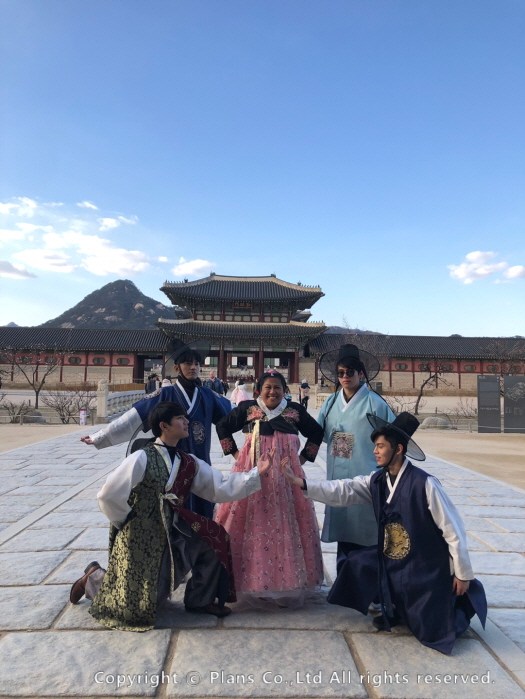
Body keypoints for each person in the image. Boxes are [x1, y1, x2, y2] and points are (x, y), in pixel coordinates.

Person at [281, 412, 487, 655]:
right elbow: (344, 490)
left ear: (398, 449)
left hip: (424, 562)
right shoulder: (377, 480)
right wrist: (302, 483)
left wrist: (462, 574)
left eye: (380, 446)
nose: (375, 452)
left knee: (433, 632)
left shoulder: (425, 484)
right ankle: (394, 608)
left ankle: (450, 611)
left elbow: (454, 530)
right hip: (393, 556)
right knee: (358, 563)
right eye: (375, 446)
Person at [70, 402, 275, 631]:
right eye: (180, 418)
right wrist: (126, 521)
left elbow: (219, 486)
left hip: (175, 528)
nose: (187, 421)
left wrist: (257, 472)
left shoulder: (187, 461)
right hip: (141, 536)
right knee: (139, 608)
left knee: (213, 538)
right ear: (163, 426)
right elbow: (108, 495)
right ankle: (94, 578)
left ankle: (200, 599)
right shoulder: (141, 457)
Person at [80, 340, 231, 519]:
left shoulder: (208, 395)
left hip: (201, 466)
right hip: (170, 468)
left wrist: (256, 414)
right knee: (172, 517)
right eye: (188, 363)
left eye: (197, 364)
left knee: (203, 517)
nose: (193, 367)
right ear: (177, 368)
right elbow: (133, 417)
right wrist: (100, 436)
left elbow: (233, 413)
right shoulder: (165, 394)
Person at [214, 370, 324, 607]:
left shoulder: (295, 411)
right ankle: (251, 580)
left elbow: (317, 432)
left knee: (286, 526)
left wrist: (302, 459)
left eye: (277, 388)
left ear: (285, 391)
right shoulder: (248, 409)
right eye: (268, 387)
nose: (272, 392)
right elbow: (222, 426)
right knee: (253, 524)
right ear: (259, 391)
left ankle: (285, 583)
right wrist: (236, 454)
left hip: (286, 480)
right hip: (253, 474)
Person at [317, 344, 395, 560]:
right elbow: (319, 433)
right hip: (337, 472)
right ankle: (344, 575)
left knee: (364, 527)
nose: (345, 377)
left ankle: (365, 574)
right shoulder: (331, 402)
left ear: (361, 373)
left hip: (366, 472)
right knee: (342, 524)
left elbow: (393, 439)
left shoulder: (375, 403)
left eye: (350, 372)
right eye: (340, 372)